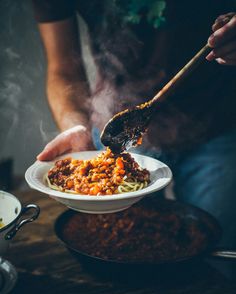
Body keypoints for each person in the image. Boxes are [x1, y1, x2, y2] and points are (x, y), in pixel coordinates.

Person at [32, 1, 236, 271]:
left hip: (217, 123)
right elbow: (63, 69)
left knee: (216, 255)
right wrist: (75, 124)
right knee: (123, 252)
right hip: (117, 136)